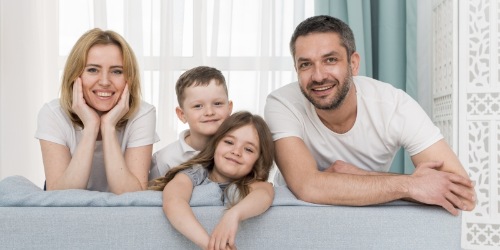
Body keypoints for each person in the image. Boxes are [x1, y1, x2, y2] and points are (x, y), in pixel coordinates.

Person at [264, 15, 476, 215]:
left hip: (366, 216)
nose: (318, 76)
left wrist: (358, 175)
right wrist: (410, 184)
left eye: (330, 60)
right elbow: (307, 186)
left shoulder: (394, 106)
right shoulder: (282, 103)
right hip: (298, 214)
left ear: (354, 63)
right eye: (306, 64)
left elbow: (464, 195)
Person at [35, 28, 159, 194]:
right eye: (93, 70)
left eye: (117, 71)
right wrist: (91, 127)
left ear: (129, 78)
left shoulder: (142, 114)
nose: (105, 81)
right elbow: (59, 196)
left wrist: (108, 127)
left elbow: (132, 195)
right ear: (75, 75)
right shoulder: (53, 113)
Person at [149, 111, 274, 250]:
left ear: (258, 160)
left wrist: (233, 215)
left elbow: (265, 193)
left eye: (249, 149)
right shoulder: (195, 173)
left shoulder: (252, 184)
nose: (236, 151)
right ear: (215, 144)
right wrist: (211, 246)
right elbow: (173, 201)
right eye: (229, 142)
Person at [149, 66, 233, 180]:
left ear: (229, 108)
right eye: (198, 106)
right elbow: (152, 196)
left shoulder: (238, 152)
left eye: (217, 103)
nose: (209, 112)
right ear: (182, 114)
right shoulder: (164, 159)